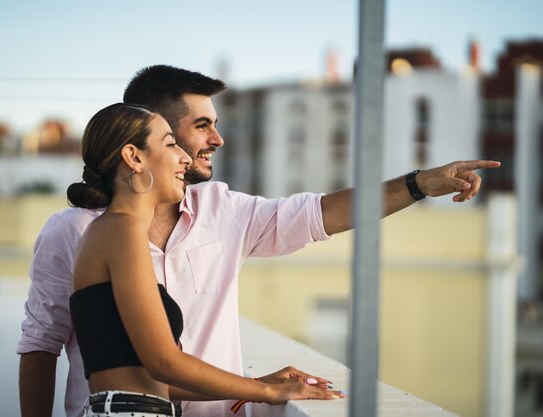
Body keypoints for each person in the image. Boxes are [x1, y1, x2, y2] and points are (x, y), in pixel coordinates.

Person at [18, 65, 501, 417]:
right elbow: (47, 345)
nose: (218, 138)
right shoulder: (80, 230)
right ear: (146, 139)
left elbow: (324, 212)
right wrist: (262, 388)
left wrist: (419, 184)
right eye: (201, 125)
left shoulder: (225, 210)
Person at [66, 103, 339, 417]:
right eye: (170, 144)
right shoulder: (121, 230)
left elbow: (144, 376)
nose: (184, 158)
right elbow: (163, 362)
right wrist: (267, 391)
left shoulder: (109, 232)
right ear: (134, 157)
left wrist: (250, 384)